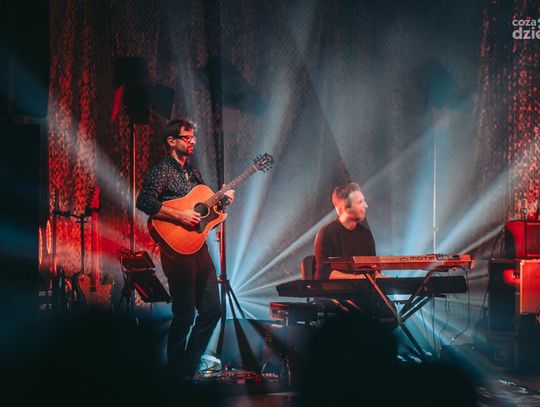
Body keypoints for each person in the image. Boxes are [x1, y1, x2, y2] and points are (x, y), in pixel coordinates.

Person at [136, 118, 234, 380]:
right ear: (171, 141)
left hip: (198, 247)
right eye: (186, 137)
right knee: (184, 315)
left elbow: (206, 212)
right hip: (176, 251)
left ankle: (185, 369)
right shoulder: (162, 171)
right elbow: (144, 201)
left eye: (193, 138)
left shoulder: (193, 173)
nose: (192, 142)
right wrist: (179, 216)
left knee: (213, 310)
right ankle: (176, 374)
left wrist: (223, 202)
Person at [314, 182, 378, 280]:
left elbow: (374, 270)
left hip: (364, 288)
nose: (366, 205)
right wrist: (356, 278)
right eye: (360, 202)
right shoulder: (327, 233)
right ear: (346, 208)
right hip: (337, 290)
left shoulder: (366, 234)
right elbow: (323, 273)